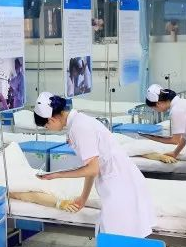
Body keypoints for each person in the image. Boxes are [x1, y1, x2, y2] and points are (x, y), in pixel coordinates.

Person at [33, 92, 154, 238]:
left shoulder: (79, 127)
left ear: (51, 119)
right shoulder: (77, 122)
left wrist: (56, 174)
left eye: (46, 126)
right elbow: (90, 168)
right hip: (118, 182)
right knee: (115, 237)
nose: (48, 129)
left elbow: (92, 169)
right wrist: (83, 198)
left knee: (116, 238)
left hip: (121, 185)